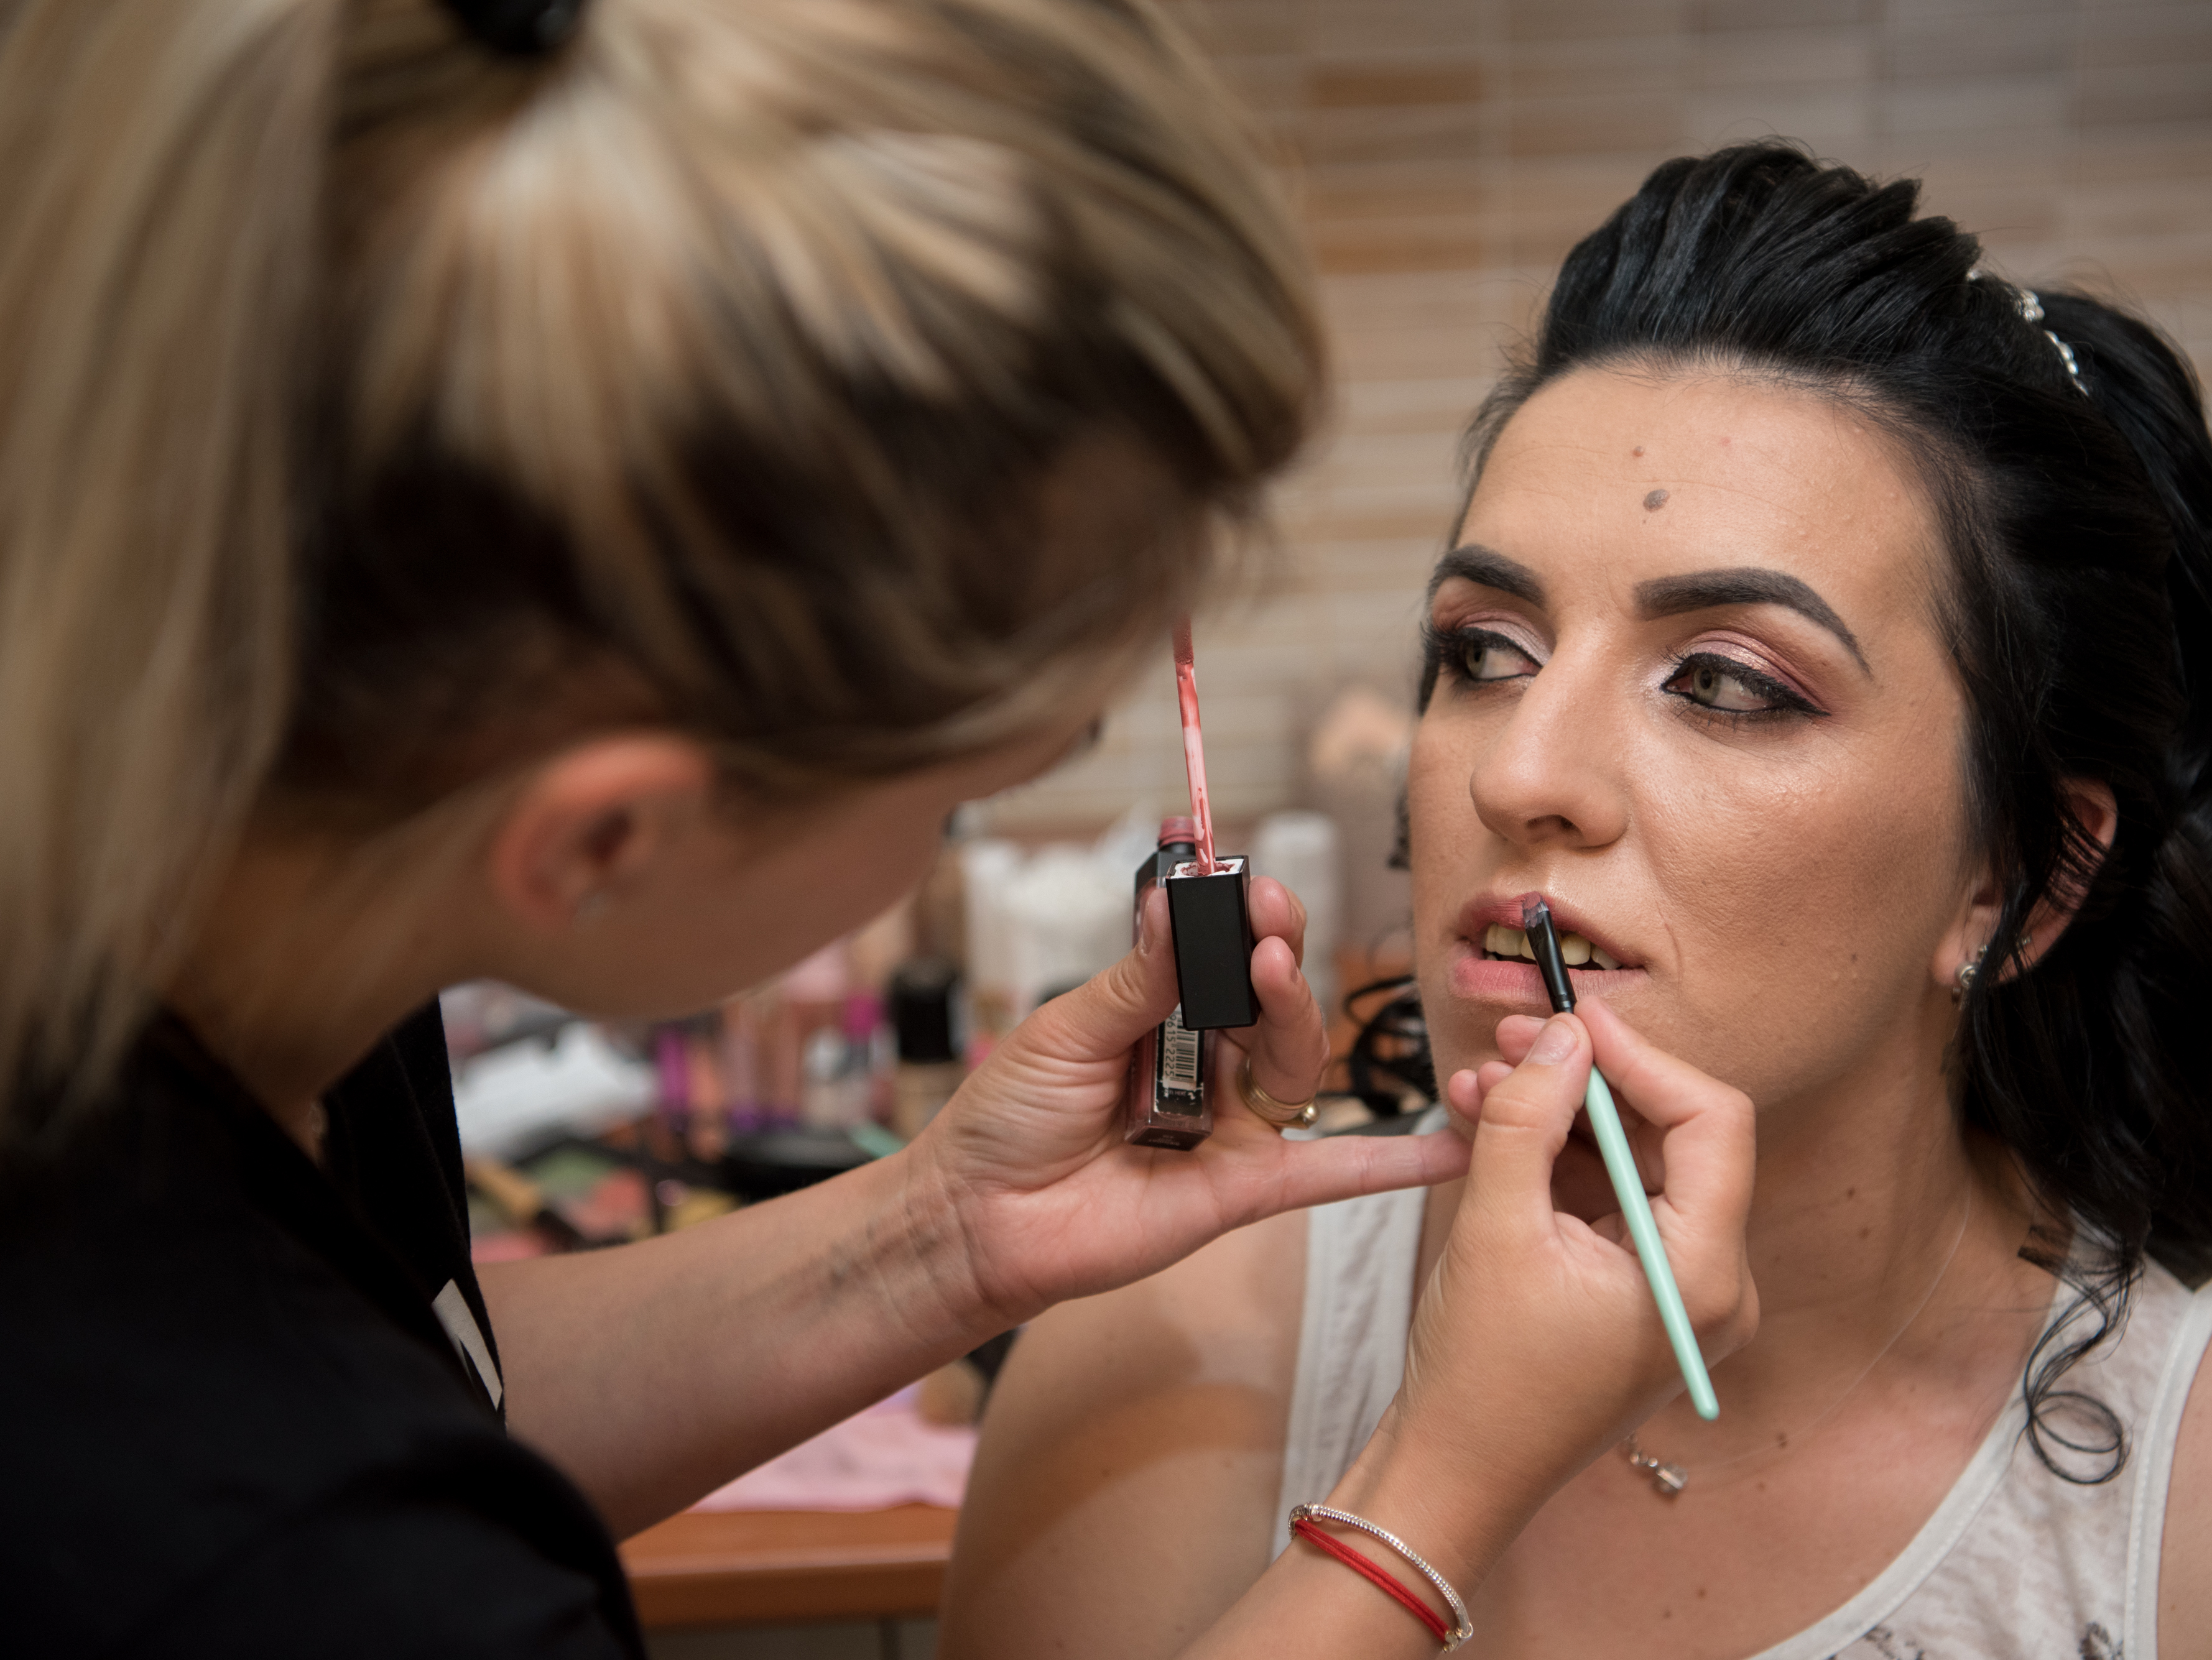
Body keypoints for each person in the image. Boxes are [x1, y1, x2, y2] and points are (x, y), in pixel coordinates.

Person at [0, 2, 1761, 1654]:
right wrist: (1428, 1500)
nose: (1521, 776)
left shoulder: (258, 980)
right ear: (604, 841)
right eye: (961, 786)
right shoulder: (292, 1570)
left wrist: (942, 1234)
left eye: (1730, 682)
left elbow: (414, 1364)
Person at [945, 144, 2212, 1659]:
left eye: (1728, 683)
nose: (1518, 774)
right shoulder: (1171, 1347)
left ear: (2018, 880)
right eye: (1482, 652)